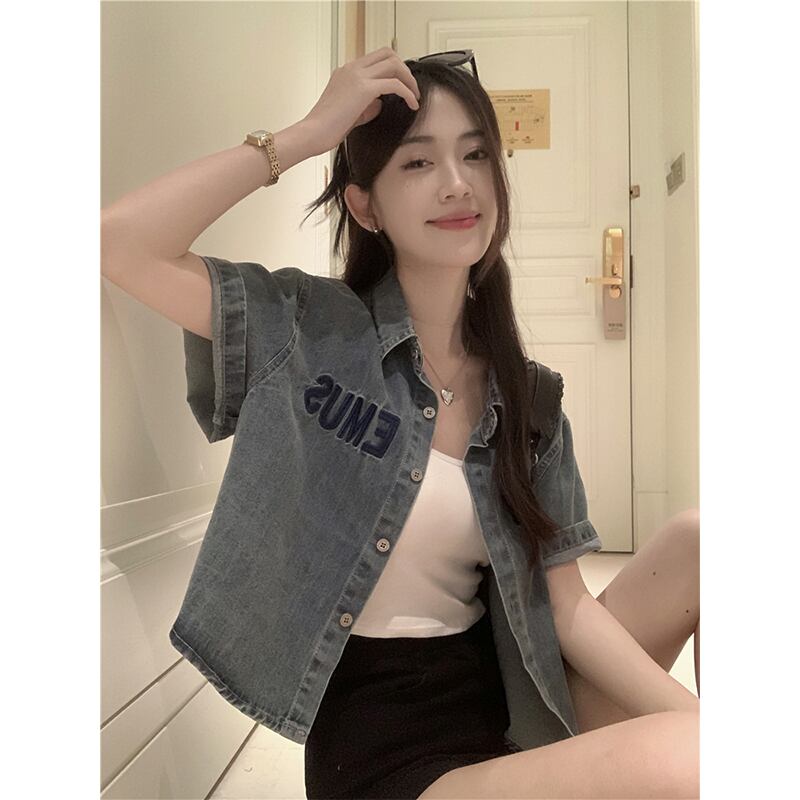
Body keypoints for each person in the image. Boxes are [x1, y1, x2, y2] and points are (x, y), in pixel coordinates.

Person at [101, 47, 700, 799]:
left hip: (508, 716)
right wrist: (308, 134)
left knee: (702, 545)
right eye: (417, 162)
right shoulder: (306, 330)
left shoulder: (528, 397)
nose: (457, 183)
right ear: (366, 207)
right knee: (691, 760)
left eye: (475, 155)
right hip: (391, 761)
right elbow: (121, 242)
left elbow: (569, 608)